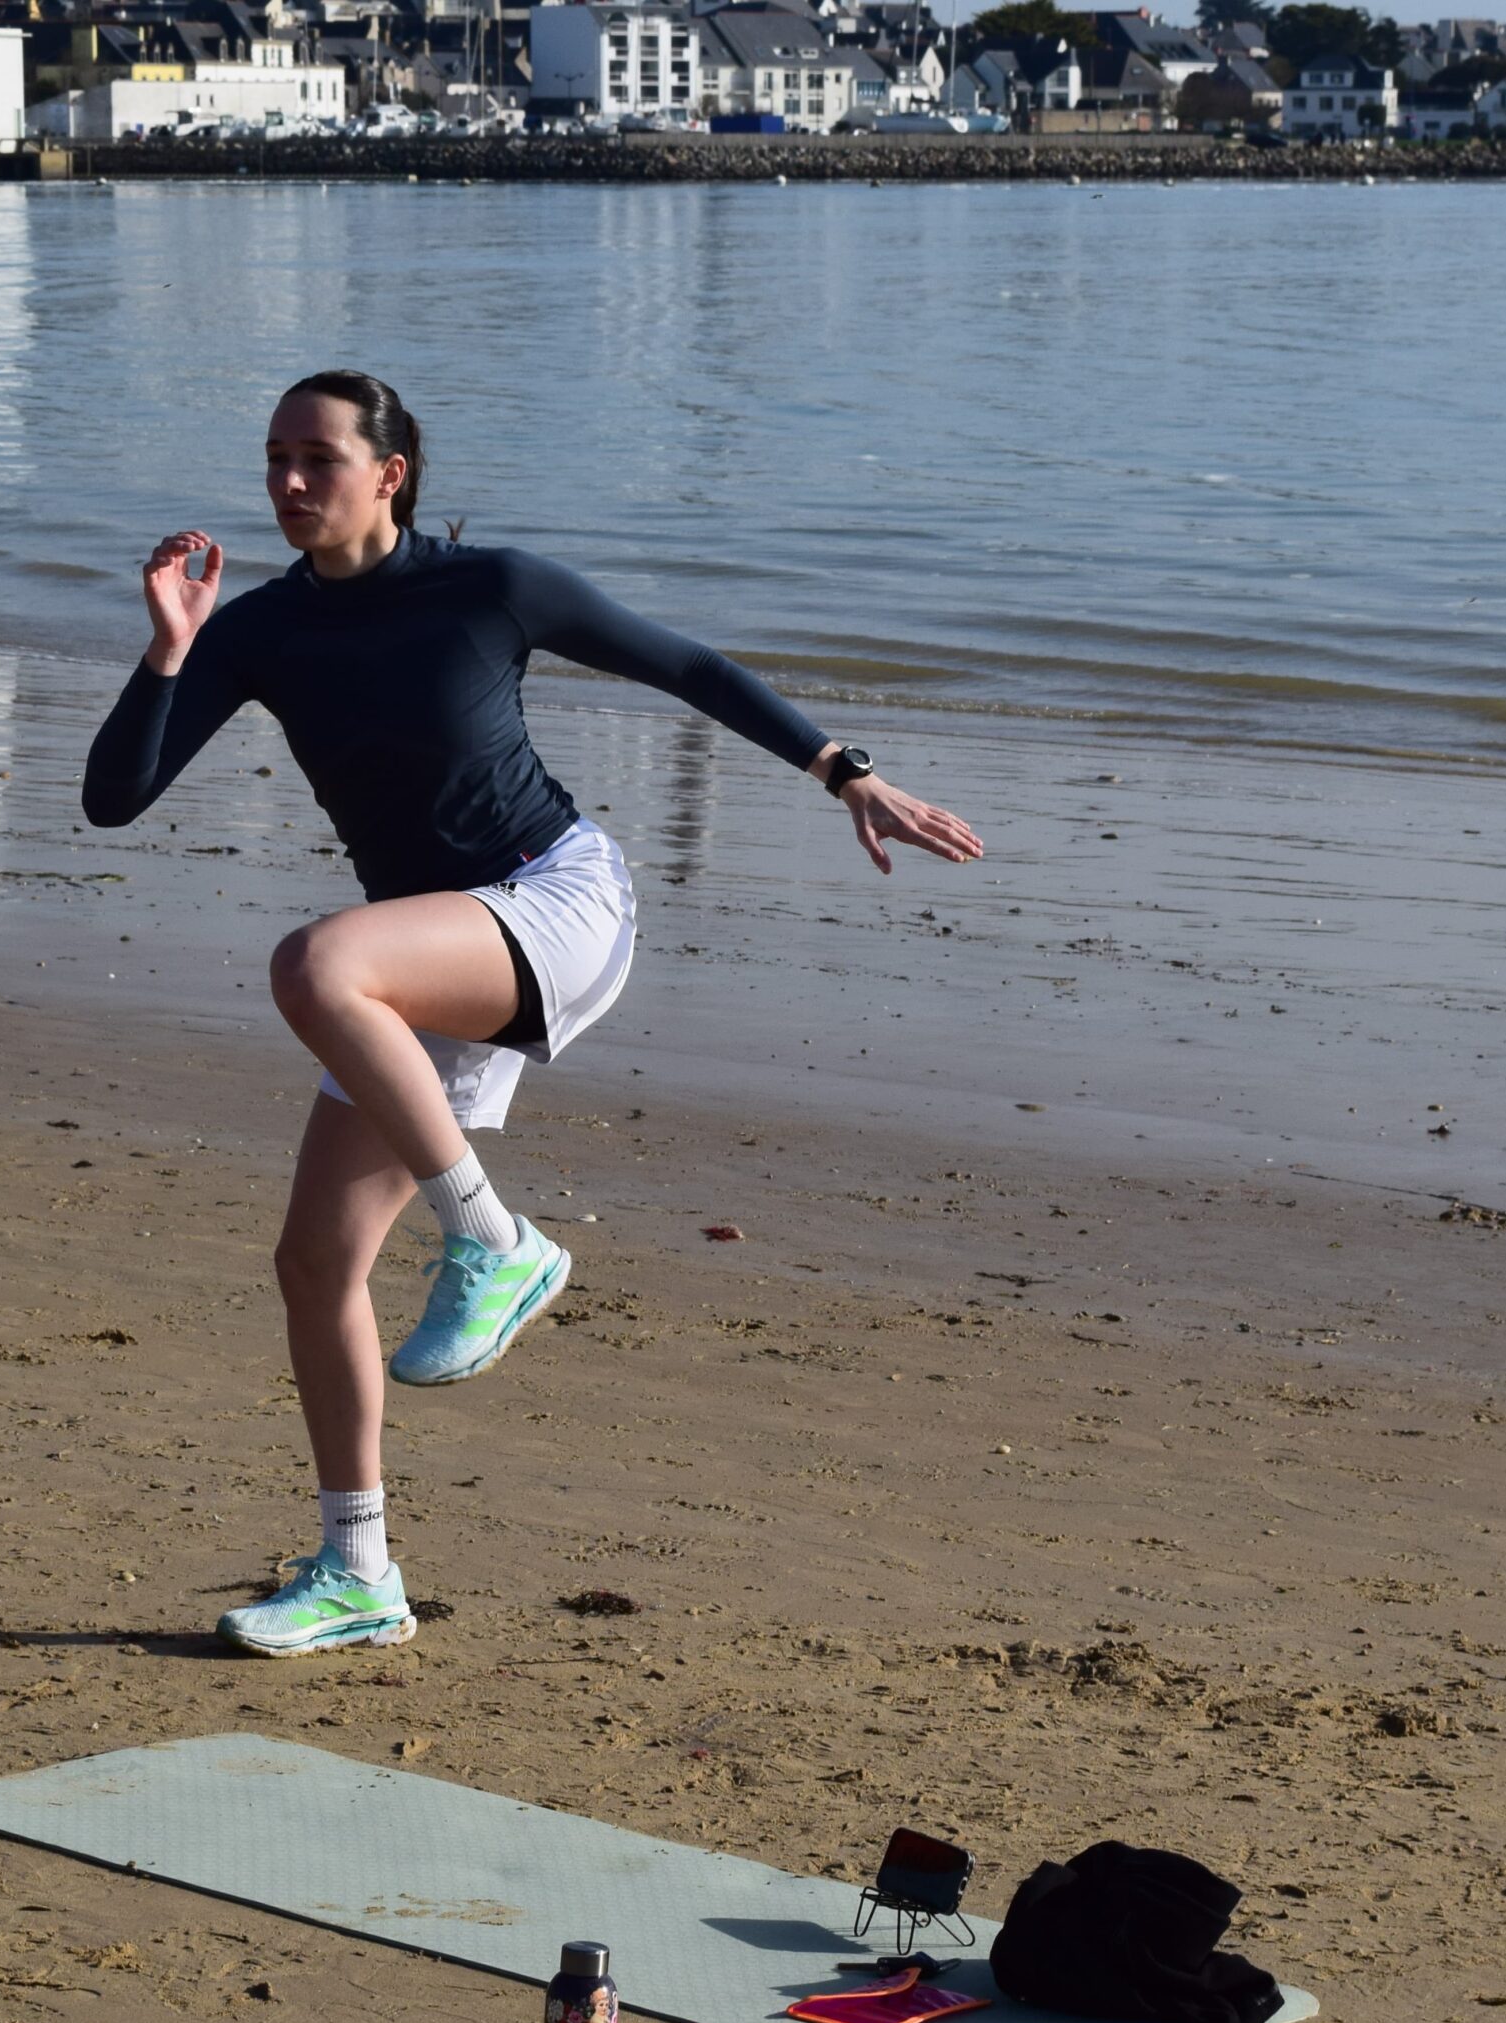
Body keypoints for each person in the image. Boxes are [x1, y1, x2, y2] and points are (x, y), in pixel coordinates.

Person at [83, 370, 982, 1658]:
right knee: (315, 1264)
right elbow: (114, 801)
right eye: (275, 457)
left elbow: (685, 665)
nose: (288, 482)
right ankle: (359, 1575)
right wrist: (172, 648)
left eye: (318, 459)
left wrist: (845, 771)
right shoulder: (261, 628)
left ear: (390, 474)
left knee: (316, 967)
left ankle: (494, 1242)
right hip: (423, 953)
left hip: (552, 899)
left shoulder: (490, 587)